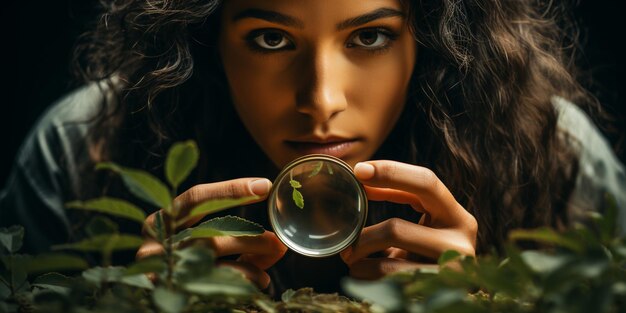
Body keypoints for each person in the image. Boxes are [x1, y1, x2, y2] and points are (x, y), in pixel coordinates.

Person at [1, 0, 625, 297]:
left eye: (371, 36)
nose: (322, 99)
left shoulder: (552, 153)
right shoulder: (82, 148)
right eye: (271, 39)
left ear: (432, 42)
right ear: (204, 40)